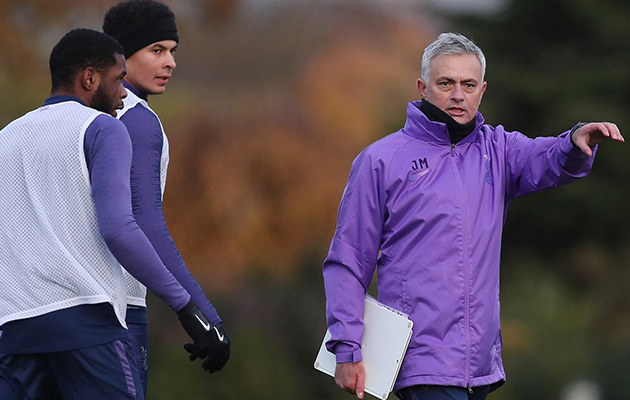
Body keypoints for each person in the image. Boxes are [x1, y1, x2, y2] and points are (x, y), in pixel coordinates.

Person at [322, 32, 624, 400]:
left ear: (482, 90)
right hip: (421, 363)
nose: (457, 94)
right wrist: (347, 347)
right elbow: (349, 259)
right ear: (422, 87)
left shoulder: (497, 150)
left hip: (478, 367)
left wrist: (576, 141)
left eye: (468, 84)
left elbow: (545, 157)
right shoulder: (380, 161)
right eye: (446, 83)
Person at [0, 28, 227, 400]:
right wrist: (186, 308)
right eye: (118, 80)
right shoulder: (101, 128)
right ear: (89, 78)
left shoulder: (5, 138)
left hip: (14, 337)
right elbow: (120, 228)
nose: (123, 95)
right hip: (88, 330)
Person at [102, 1, 230, 391]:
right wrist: (204, 314)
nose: (171, 62)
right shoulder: (137, 119)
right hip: (112, 310)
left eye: (173, 51)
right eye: (157, 50)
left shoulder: (61, 118)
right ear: (120, 57)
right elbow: (145, 223)